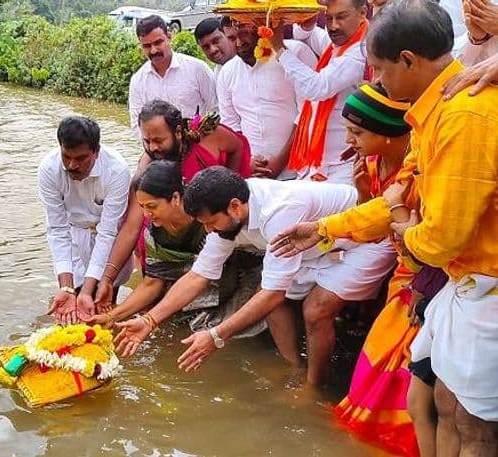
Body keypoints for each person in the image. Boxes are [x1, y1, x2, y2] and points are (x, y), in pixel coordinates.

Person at [275, 1, 498, 453]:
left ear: (409, 61)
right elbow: (396, 200)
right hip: (462, 285)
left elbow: (438, 241)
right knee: (444, 401)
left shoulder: (465, 117)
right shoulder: (435, 112)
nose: (377, 82)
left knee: (473, 425)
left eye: (379, 70)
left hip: (483, 288)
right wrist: (324, 228)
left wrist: (404, 233)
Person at [113, 168, 395, 385]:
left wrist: (216, 336)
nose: (209, 231)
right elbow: (198, 275)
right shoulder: (227, 216)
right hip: (314, 250)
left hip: (363, 241)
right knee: (270, 293)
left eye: (211, 223)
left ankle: (313, 386)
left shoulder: (278, 213)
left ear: (235, 207)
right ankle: (293, 366)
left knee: (315, 310)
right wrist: (149, 320)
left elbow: (273, 294)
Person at [271, 83, 427, 456]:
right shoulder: (370, 164)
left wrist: (327, 229)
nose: (350, 140)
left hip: (422, 273)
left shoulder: (418, 171)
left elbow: (400, 229)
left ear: (388, 135)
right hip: (392, 257)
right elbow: (373, 221)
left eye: (357, 132)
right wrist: (362, 191)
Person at [94, 100, 251, 310]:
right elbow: (132, 226)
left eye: (159, 140)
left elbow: (238, 146)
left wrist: (234, 181)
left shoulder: (209, 137)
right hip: (169, 239)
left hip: (210, 230)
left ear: (178, 132)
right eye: (147, 141)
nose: (153, 148)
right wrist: (107, 278)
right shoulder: (148, 166)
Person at [88, 161, 265, 336]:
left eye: (152, 206)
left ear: (175, 198)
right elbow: (153, 281)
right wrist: (112, 317)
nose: (146, 215)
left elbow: (203, 273)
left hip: (236, 283)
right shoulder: (154, 233)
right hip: (190, 291)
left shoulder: (209, 220)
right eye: (142, 207)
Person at [37, 116, 132, 325]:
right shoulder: (48, 169)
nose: (72, 165)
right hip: (73, 234)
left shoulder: (117, 171)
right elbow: (57, 229)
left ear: (96, 152)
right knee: (70, 306)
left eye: (81, 159)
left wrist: (89, 291)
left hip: (109, 238)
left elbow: (108, 232)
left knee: (102, 302)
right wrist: (67, 288)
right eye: (66, 157)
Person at [271, 0, 370, 183]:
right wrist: (307, 26)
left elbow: (317, 88)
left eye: (341, 17)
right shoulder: (338, 44)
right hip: (317, 165)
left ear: (363, 12)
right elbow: (308, 36)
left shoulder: (360, 52)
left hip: (343, 167)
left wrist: (280, 49)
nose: (333, 26)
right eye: (328, 18)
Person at [217, 21, 317, 179]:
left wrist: (280, 162)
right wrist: (246, 160)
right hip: (253, 176)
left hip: (300, 172)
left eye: (244, 34)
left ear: (259, 29)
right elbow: (230, 124)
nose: (239, 43)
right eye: (231, 38)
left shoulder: (294, 53)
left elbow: (309, 112)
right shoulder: (227, 72)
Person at [129, 15, 217, 137]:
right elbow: (137, 126)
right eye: (147, 46)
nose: (154, 50)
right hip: (159, 152)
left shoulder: (197, 69)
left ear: (169, 37)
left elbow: (217, 109)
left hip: (198, 146)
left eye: (158, 42)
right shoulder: (138, 81)